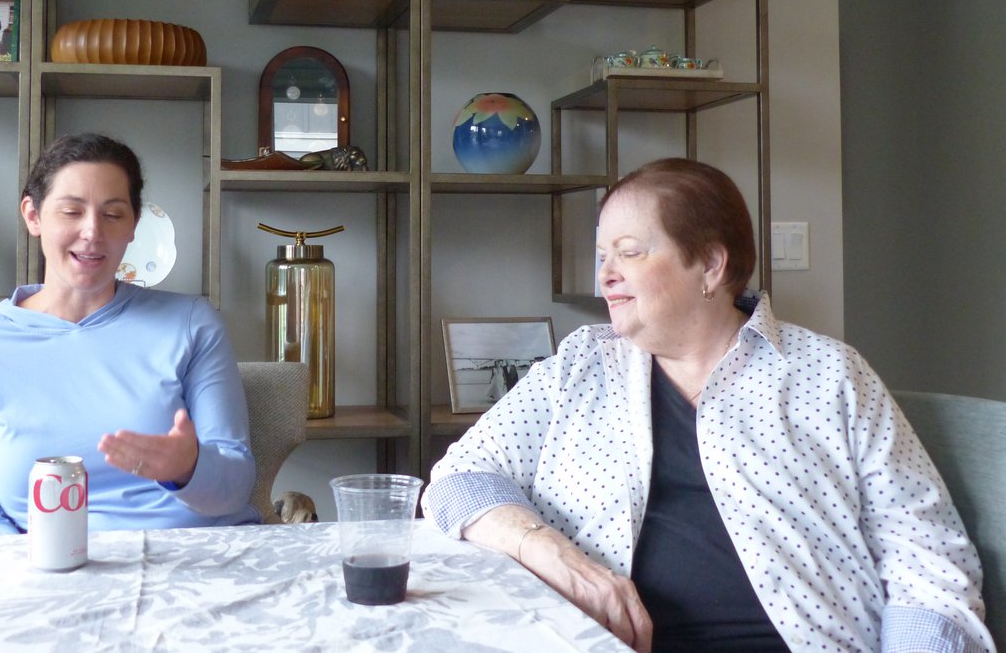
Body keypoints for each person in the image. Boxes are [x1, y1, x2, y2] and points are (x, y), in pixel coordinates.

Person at [423, 158, 993, 653]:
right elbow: (457, 480)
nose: (605, 276)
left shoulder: (830, 375)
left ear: (712, 266)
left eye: (630, 252)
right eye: (601, 256)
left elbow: (928, 562)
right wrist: (556, 557)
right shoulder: (580, 367)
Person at [0, 133, 257, 536]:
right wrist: (43, 569)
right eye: (71, 211)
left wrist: (188, 468)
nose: (92, 232)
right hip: (45, 564)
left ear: (134, 224)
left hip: (196, 552)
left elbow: (235, 488)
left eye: (113, 214)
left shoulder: (191, 323)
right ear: (33, 215)